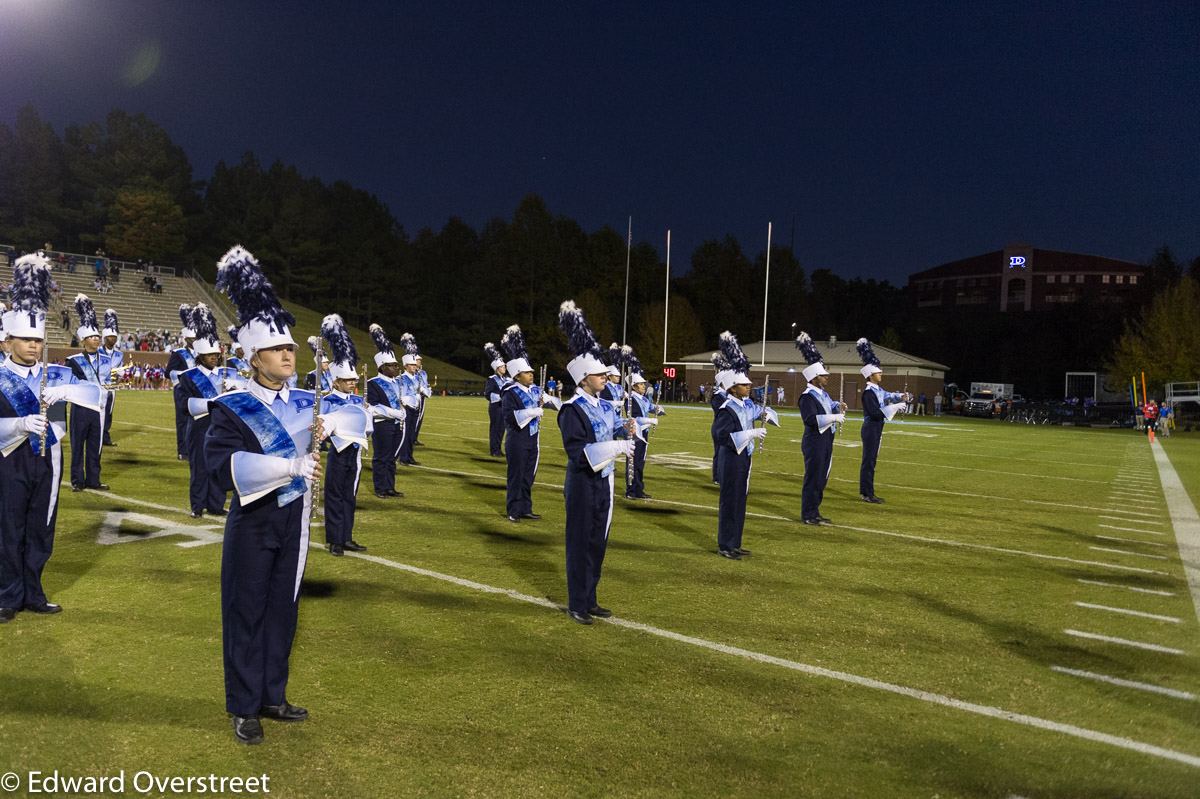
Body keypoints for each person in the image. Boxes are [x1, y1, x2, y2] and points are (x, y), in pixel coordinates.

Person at [206, 245, 327, 745]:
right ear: (253, 357)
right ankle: (244, 705)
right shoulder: (230, 406)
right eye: (278, 350)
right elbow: (223, 467)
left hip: (294, 520)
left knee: (284, 608)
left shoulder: (304, 402)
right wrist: (290, 464)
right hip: (254, 521)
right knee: (246, 609)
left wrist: (322, 436)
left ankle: (273, 694)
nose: (288, 355)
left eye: (291, 349)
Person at [0, 253, 106, 622]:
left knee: (41, 526)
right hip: (9, 459)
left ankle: (33, 591)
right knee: (8, 526)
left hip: (48, 459)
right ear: (7, 342)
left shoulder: (57, 374)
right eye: (25, 340)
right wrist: (18, 425)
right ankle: (7, 595)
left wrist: (69, 393)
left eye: (38, 340)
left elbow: (97, 398)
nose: (33, 346)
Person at [556, 300, 635, 625]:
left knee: (598, 543)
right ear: (583, 378)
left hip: (604, 482)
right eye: (599, 373)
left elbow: (611, 429)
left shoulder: (604, 404)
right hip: (583, 482)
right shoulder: (571, 408)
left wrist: (627, 426)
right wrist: (618, 444)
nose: (606, 376)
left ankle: (590, 598)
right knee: (580, 543)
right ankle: (577, 602)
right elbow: (580, 451)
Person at [712, 331, 778, 559]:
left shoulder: (745, 404)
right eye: (744, 384)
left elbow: (762, 412)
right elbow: (722, 437)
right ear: (732, 388)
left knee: (740, 500)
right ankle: (725, 545)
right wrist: (751, 432)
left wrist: (766, 415)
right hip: (731, 458)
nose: (749, 386)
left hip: (744, 457)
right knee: (730, 501)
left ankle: (735, 543)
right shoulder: (726, 409)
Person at [317, 314, 373, 556]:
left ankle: (347, 536)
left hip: (356, 454)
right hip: (338, 455)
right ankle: (335, 541)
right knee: (335, 497)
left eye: (354, 380)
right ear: (336, 382)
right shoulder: (327, 401)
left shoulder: (360, 400)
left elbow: (368, 427)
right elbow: (324, 429)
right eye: (348, 381)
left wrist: (367, 416)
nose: (353, 383)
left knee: (350, 497)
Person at [178, 304, 234, 519]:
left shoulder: (228, 374)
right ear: (200, 355)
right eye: (209, 355)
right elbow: (184, 404)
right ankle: (197, 505)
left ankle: (216, 504)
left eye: (216, 354)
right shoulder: (188, 376)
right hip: (200, 426)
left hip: (222, 427)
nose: (214, 357)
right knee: (200, 467)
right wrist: (211, 403)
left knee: (219, 465)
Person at [500, 325, 559, 522]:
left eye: (531, 371)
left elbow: (557, 404)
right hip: (517, 439)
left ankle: (525, 507)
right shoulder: (510, 393)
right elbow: (509, 417)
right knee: (516, 476)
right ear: (517, 376)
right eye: (527, 372)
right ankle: (513, 510)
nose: (531, 374)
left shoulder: (534, 390)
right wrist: (533, 410)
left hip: (533, 439)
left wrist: (549, 401)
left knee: (528, 476)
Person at [796, 332, 845, 525]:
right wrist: (834, 416)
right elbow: (810, 419)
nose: (827, 377)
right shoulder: (806, 396)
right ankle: (808, 513)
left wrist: (837, 406)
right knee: (813, 477)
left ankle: (815, 510)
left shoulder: (823, 394)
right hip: (814, 440)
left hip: (826, 439)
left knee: (822, 477)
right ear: (815, 377)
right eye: (823, 375)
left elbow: (827, 408)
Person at [856, 338, 910, 505]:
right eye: (878, 373)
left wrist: (900, 396)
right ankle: (866, 493)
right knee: (869, 461)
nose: (881, 374)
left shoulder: (877, 389)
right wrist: (895, 408)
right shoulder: (867, 393)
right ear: (871, 375)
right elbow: (874, 413)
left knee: (872, 461)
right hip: (871, 426)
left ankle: (870, 491)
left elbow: (888, 395)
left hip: (876, 427)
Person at [65, 294, 110, 492]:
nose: (97, 340)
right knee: (78, 445)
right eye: (93, 337)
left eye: (98, 336)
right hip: (81, 406)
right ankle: (77, 479)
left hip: (98, 406)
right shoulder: (73, 360)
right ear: (84, 340)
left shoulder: (106, 359)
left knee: (95, 445)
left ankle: (93, 478)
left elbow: (106, 380)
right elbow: (72, 383)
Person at [365, 324, 406, 499]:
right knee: (381, 457)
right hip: (383, 424)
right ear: (383, 367)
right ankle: (380, 487)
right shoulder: (373, 383)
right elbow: (372, 407)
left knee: (391, 458)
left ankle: (390, 486)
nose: (397, 368)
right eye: (393, 365)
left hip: (397, 424)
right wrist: (393, 412)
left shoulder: (397, 382)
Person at [622, 345, 663, 500]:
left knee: (640, 462)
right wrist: (650, 420)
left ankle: (639, 488)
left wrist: (659, 409)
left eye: (644, 384)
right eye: (641, 385)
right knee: (632, 463)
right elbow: (634, 418)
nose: (644, 387)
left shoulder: (643, 399)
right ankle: (630, 490)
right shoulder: (630, 400)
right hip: (634, 434)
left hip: (644, 434)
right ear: (633, 387)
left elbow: (651, 408)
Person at [166, 305, 197, 460]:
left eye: (195, 338)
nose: (194, 341)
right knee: (183, 421)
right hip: (182, 390)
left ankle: (194, 448)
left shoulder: (200, 354)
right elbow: (168, 372)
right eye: (191, 338)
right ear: (185, 339)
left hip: (197, 390)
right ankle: (183, 451)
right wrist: (185, 375)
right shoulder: (178, 354)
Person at [98, 308, 123, 447]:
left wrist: (119, 377)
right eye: (110, 337)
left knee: (109, 411)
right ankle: (97, 436)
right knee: (98, 410)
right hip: (100, 385)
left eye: (115, 337)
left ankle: (105, 437)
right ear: (105, 338)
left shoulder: (119, 354)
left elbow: (120, 370)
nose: (113, 339)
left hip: (112, 387)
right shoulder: (98, 352)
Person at [396, 335, 422, 466]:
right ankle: (403, 457)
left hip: (415, 408)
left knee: (412, 434)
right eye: (411, 365)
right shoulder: (402, 378)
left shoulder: (415, 377)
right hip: (407, 408)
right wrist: (413, 398)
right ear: (406, 366)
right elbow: (402, 395)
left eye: (414, 364)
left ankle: (409, 456)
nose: (414, 366)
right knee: (405, 435)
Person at [709, 351, 732, 486]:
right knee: (719, 452)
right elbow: (721, 410)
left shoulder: (728, 395)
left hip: (726, 426)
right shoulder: (717, 396)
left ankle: (724, 474)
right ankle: (716, 476)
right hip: (718, 427)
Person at [483, 343, 509, 457]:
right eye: (502, 366)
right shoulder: (492, 380)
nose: (505, 368)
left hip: (503, 407)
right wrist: (500, 397)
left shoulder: (506, 380)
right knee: (495, 428)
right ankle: (493, 450)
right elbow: (487, 394)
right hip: (495, 407)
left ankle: (498, 449)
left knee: (501, 429)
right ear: (497, 369)